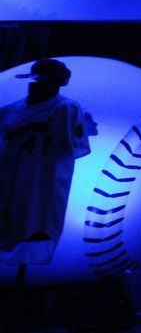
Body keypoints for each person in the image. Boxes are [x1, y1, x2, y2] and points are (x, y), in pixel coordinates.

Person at [0, 59, 96, 266]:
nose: (38, 85)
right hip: (7, 180)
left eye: (47, 81)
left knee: (34, 224)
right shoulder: (8, 111)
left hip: (41, 184)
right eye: (37, 80)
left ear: (57, 83)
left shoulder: (66, 108)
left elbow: (75, 148)